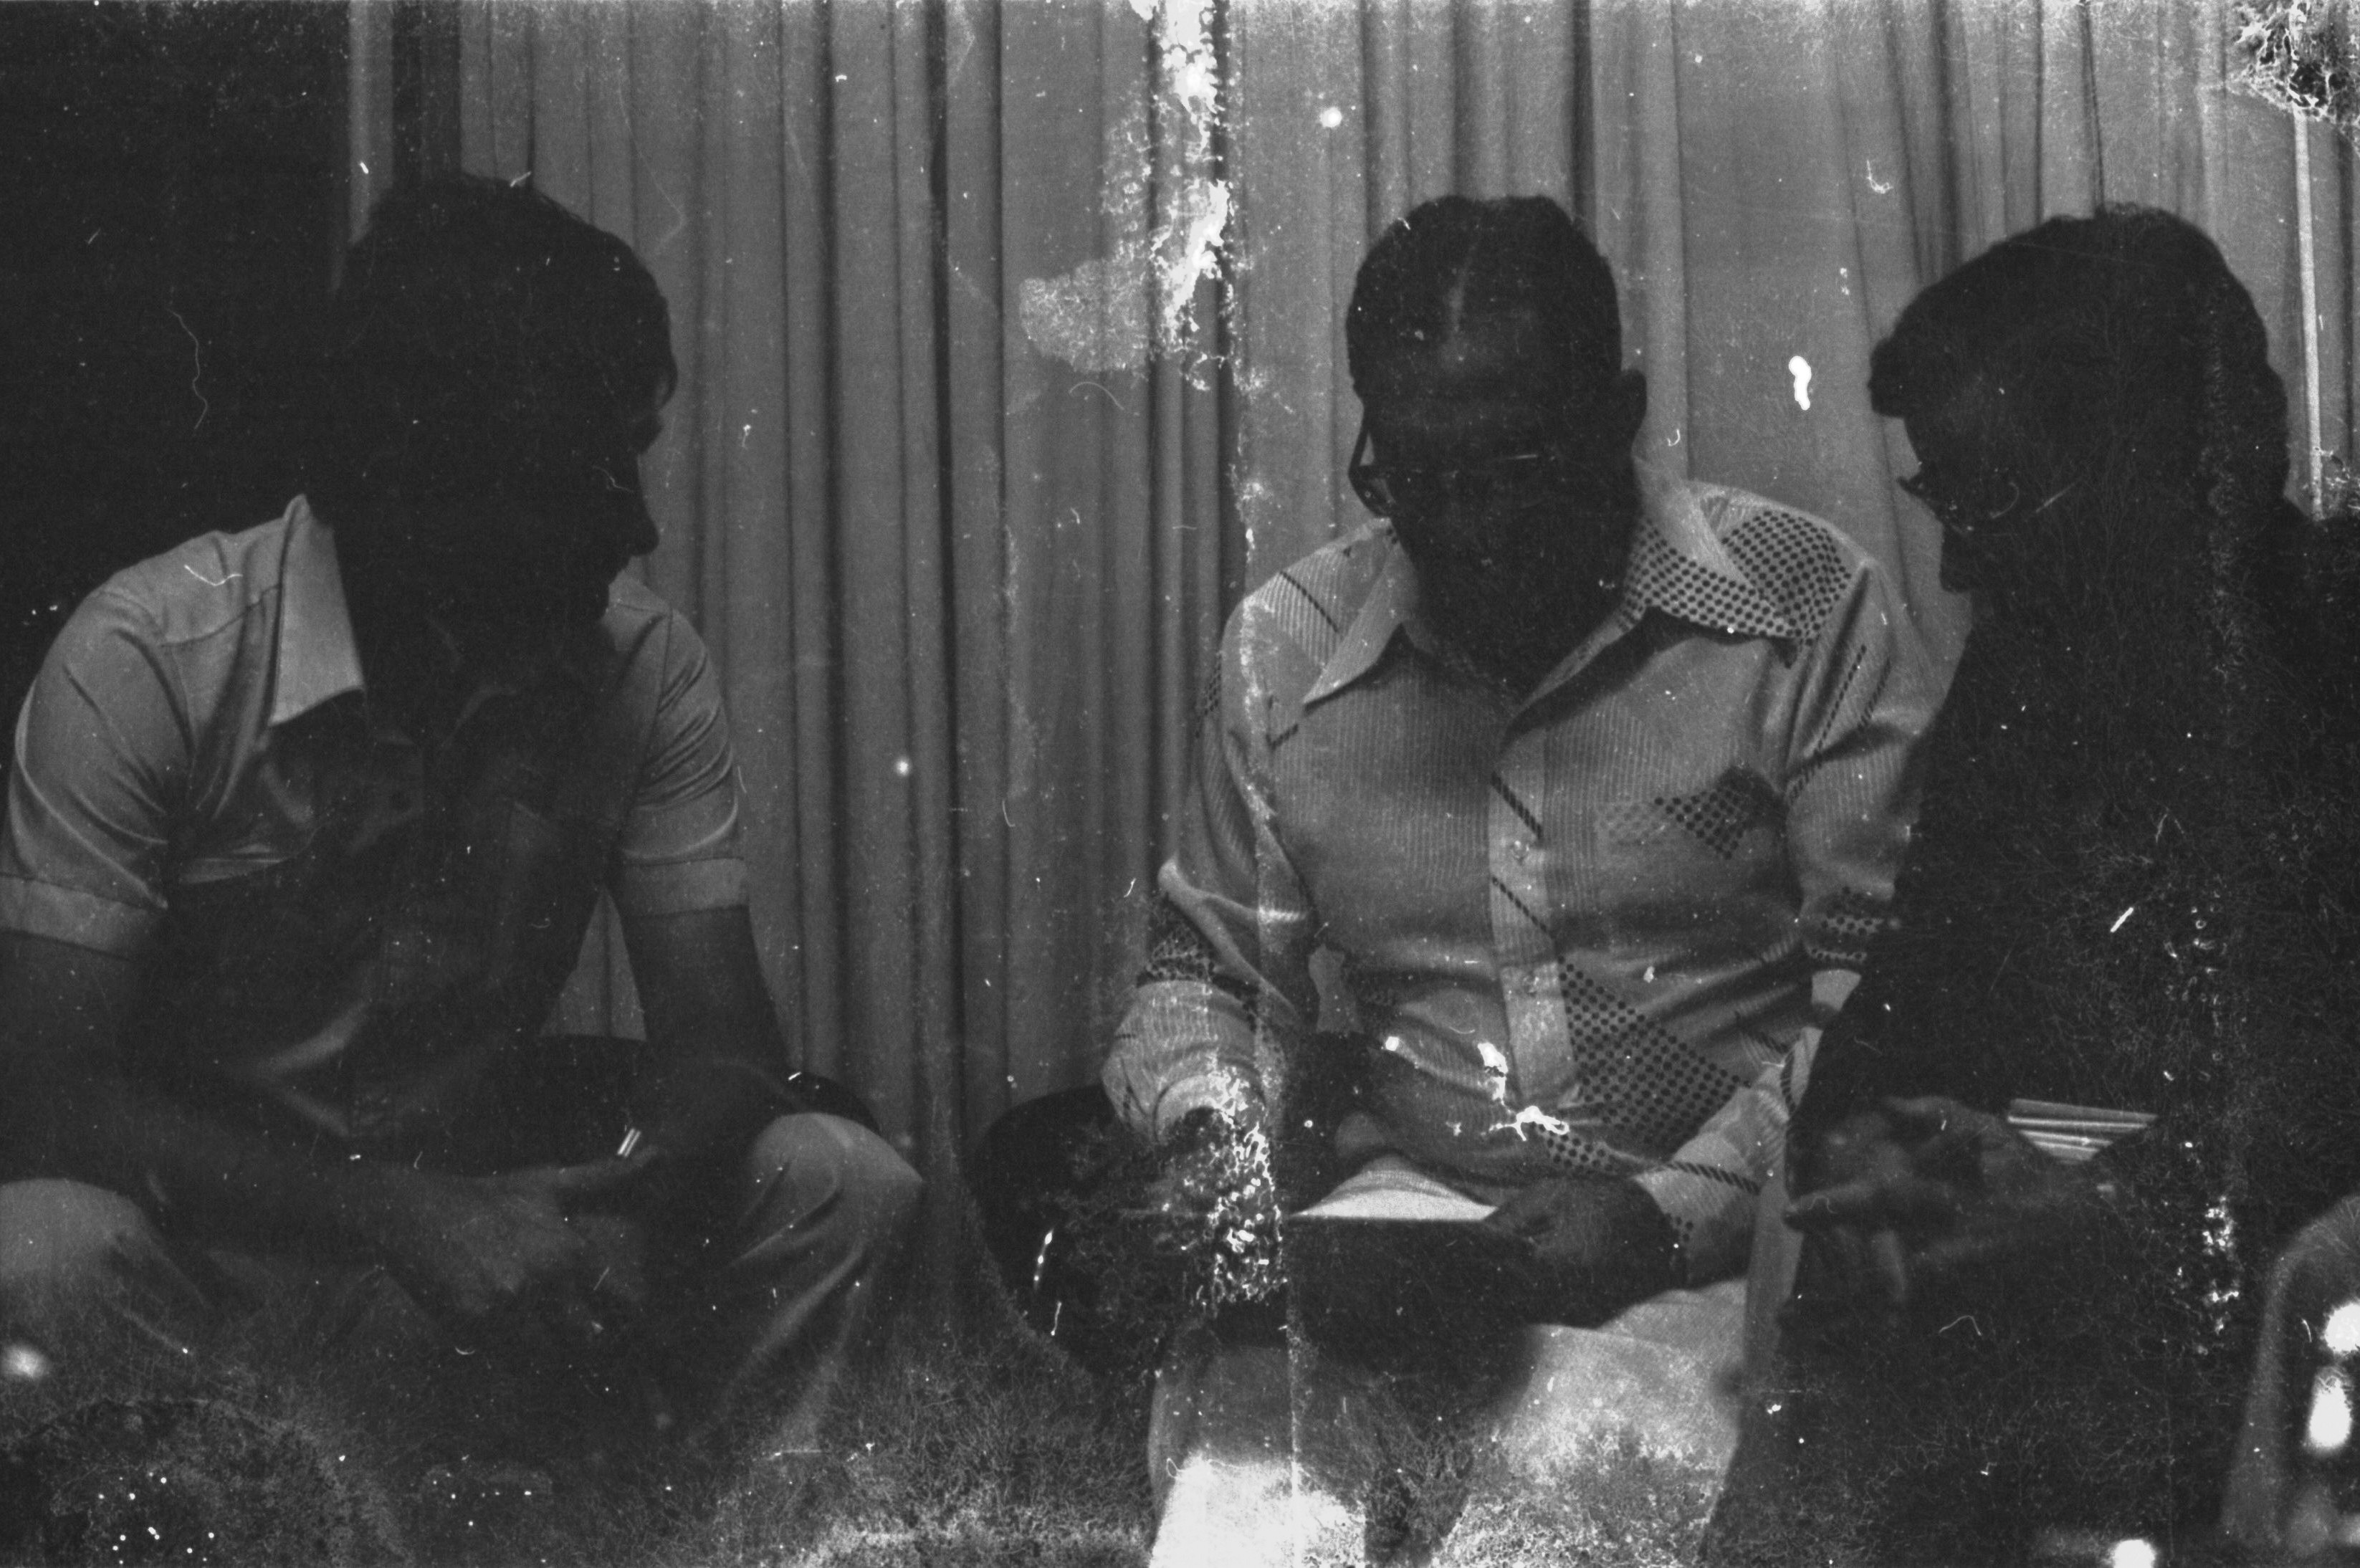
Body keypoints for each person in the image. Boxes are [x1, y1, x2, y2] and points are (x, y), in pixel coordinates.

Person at [0, 174, 922, 1489]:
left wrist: (625, 1201)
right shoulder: (149, 658)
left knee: (844, 1181)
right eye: (588, 469)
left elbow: (724, 1043)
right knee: (33, 1253)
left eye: (638, 452)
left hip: (504, 1235)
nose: (641, 523)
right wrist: (391, 1214)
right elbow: (48, 1095)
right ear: (427, 475)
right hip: (209, 1264)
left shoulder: (646, 666)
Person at [1097, 194, 1936, 1562]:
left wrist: (1666, 1219)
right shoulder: (1284, 649)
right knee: (1239, 1526)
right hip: (1408, 1230)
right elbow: (1206, 977)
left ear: (1623, 417)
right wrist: (1213, 1141)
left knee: (1550, 1522)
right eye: (1421, 480)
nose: (1472, 527)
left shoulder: (1804, 605)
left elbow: (1886, 999)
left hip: (1712, 1261)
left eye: (1519, 467)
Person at [1705, 206, 2360, 1565]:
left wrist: (2131, 1212)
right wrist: (1871, 1144)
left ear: (2195, 465)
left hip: (2318, 1324)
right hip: (2069, 1307)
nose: (1955, 563)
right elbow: (1905, 1005)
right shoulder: (2029, 680)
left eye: (1995, 502)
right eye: (1943, 501)